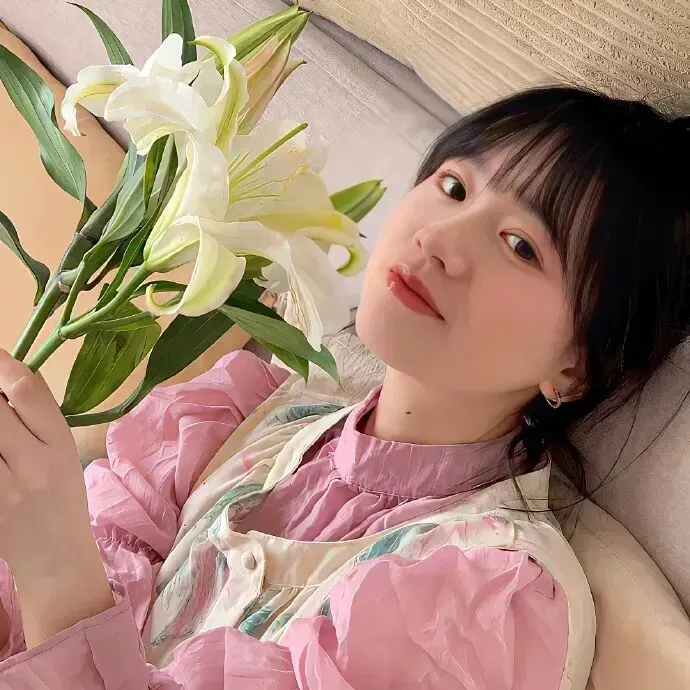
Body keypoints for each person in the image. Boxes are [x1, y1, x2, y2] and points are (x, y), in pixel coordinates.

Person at [0, 86, 687, 689]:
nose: (440, 238)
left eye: (521, 246)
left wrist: (55, 571)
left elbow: (61, 579)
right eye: (454, 187)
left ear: (575, 366)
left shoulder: (484, 596)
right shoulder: (237, 413)